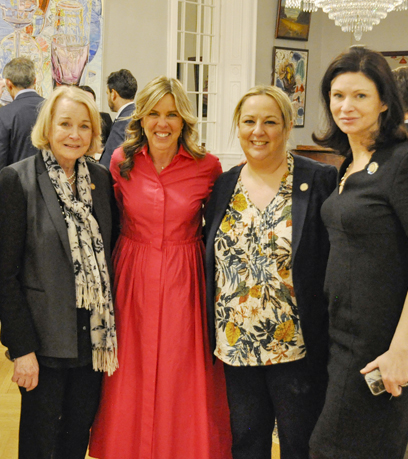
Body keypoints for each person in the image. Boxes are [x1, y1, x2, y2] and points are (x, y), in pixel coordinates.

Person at [89, 75, 231, 459]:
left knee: (180, 372)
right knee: (129, 372)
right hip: (131, 275)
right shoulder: (121, 162)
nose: (162, 123)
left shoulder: (208, 167)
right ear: (141, 117)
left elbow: (217, 230)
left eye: (171, 114)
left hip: (185, 280)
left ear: (184, 119)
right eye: (153, 113)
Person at [205, 85, 337, 459]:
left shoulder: (319, 180)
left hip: (295, 346)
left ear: (287, 126)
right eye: (249, 121)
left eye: (270, 122)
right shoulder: (224, 184)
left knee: (300, 444)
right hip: (236, 345)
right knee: (247, 444)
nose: (258, 131)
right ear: (238, 126)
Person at [0, 85, 118, 459]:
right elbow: (4, 275)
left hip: (91, 344)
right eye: (65, 123)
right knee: (39, 444)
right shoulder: (17, 180)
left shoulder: (101, 181)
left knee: (74, 441)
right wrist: (21, 350)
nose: (74, 134)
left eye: (84, 126)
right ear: (48, 126)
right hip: (43, 344)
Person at [308, 46, 408, 459]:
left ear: (385, 100)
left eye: (360, 96)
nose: (346, 106)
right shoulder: (347, 164)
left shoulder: (400, 162)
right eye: (338, 95)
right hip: (339, 337)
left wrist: (401, 350)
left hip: (379, 345)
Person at [0, 57, 44, 170]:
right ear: (34, 80)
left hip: (15, 184)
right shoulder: (53, 108)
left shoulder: (4, 114)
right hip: (52, 183)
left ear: (8, 84)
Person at [99, 69, 137, 168]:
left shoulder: (123, 121)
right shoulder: (135, 115)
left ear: (113, 94)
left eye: (107, 93)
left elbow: (109, 163)